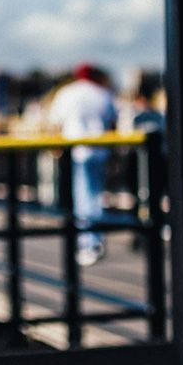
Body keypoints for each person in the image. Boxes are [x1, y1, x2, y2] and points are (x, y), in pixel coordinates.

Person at [49, 63, 118, 266]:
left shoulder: (67, 93)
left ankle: (89, 242)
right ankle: (94, 239)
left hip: (76, 150)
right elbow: (113, 123)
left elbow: (56, 122)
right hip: (100, 149)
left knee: (83, 197)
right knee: (95, 195)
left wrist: (56, 149)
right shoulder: (103, 93)